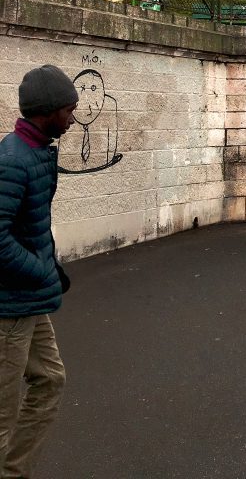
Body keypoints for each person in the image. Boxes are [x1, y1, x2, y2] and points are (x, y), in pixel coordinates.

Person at [0, 65, 79, 476]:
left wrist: (48, 266)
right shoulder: (13, 160)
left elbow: (27, 227)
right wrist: (40, 271)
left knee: (49, 381)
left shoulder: (37, 152)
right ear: (47, 111)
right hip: (9, 308)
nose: (72, 118)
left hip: (29, 297)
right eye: (69, 110)